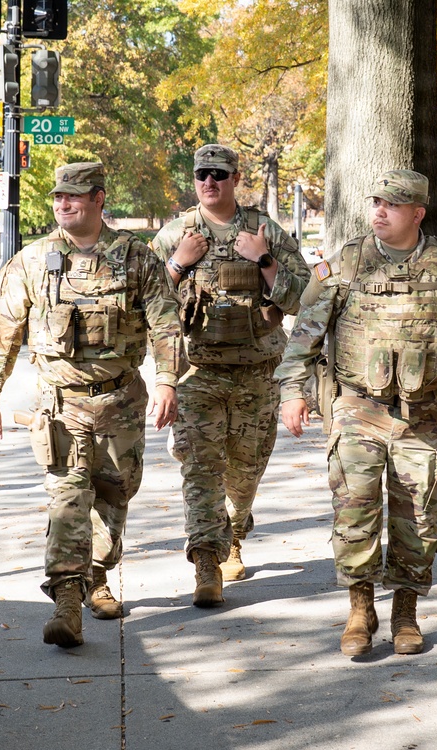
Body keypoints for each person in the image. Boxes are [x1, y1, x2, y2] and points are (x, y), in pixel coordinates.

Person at [274, 169, 437, 656]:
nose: (380, 212)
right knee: (355, 512)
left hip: (425, 416)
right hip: (358, 408)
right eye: (376, 203)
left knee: (417, 520)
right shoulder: (347, 262)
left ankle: (406, 610)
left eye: (392, 205)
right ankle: (360, 609)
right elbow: (305, 334)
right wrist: (291, 391)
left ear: (418, 213)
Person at [0, 162, 186, 648]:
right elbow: (2, 334)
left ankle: (98, 573)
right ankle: (67, 602)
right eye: (57, 198)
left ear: (98, 199)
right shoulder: (33, 261)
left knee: (115, 497)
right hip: (60, 406)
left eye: (73, 197)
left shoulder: (136, 259)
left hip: (121, 404)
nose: (63, 205)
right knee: (68, 500)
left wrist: (167, 381)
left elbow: (166, 323)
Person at [150, 144, 310, 607]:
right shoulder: (176, 234)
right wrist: (178, 263)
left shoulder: (264, 231)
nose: (209, 182)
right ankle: (206, 564)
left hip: (258, 374)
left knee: (245, 473)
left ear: (235, 178)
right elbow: (144, 302)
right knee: (201, 470)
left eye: (219, 174)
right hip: (197, 374)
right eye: (202, 174)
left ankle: (234, 530)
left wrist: (264, 260)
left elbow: (303, 299)